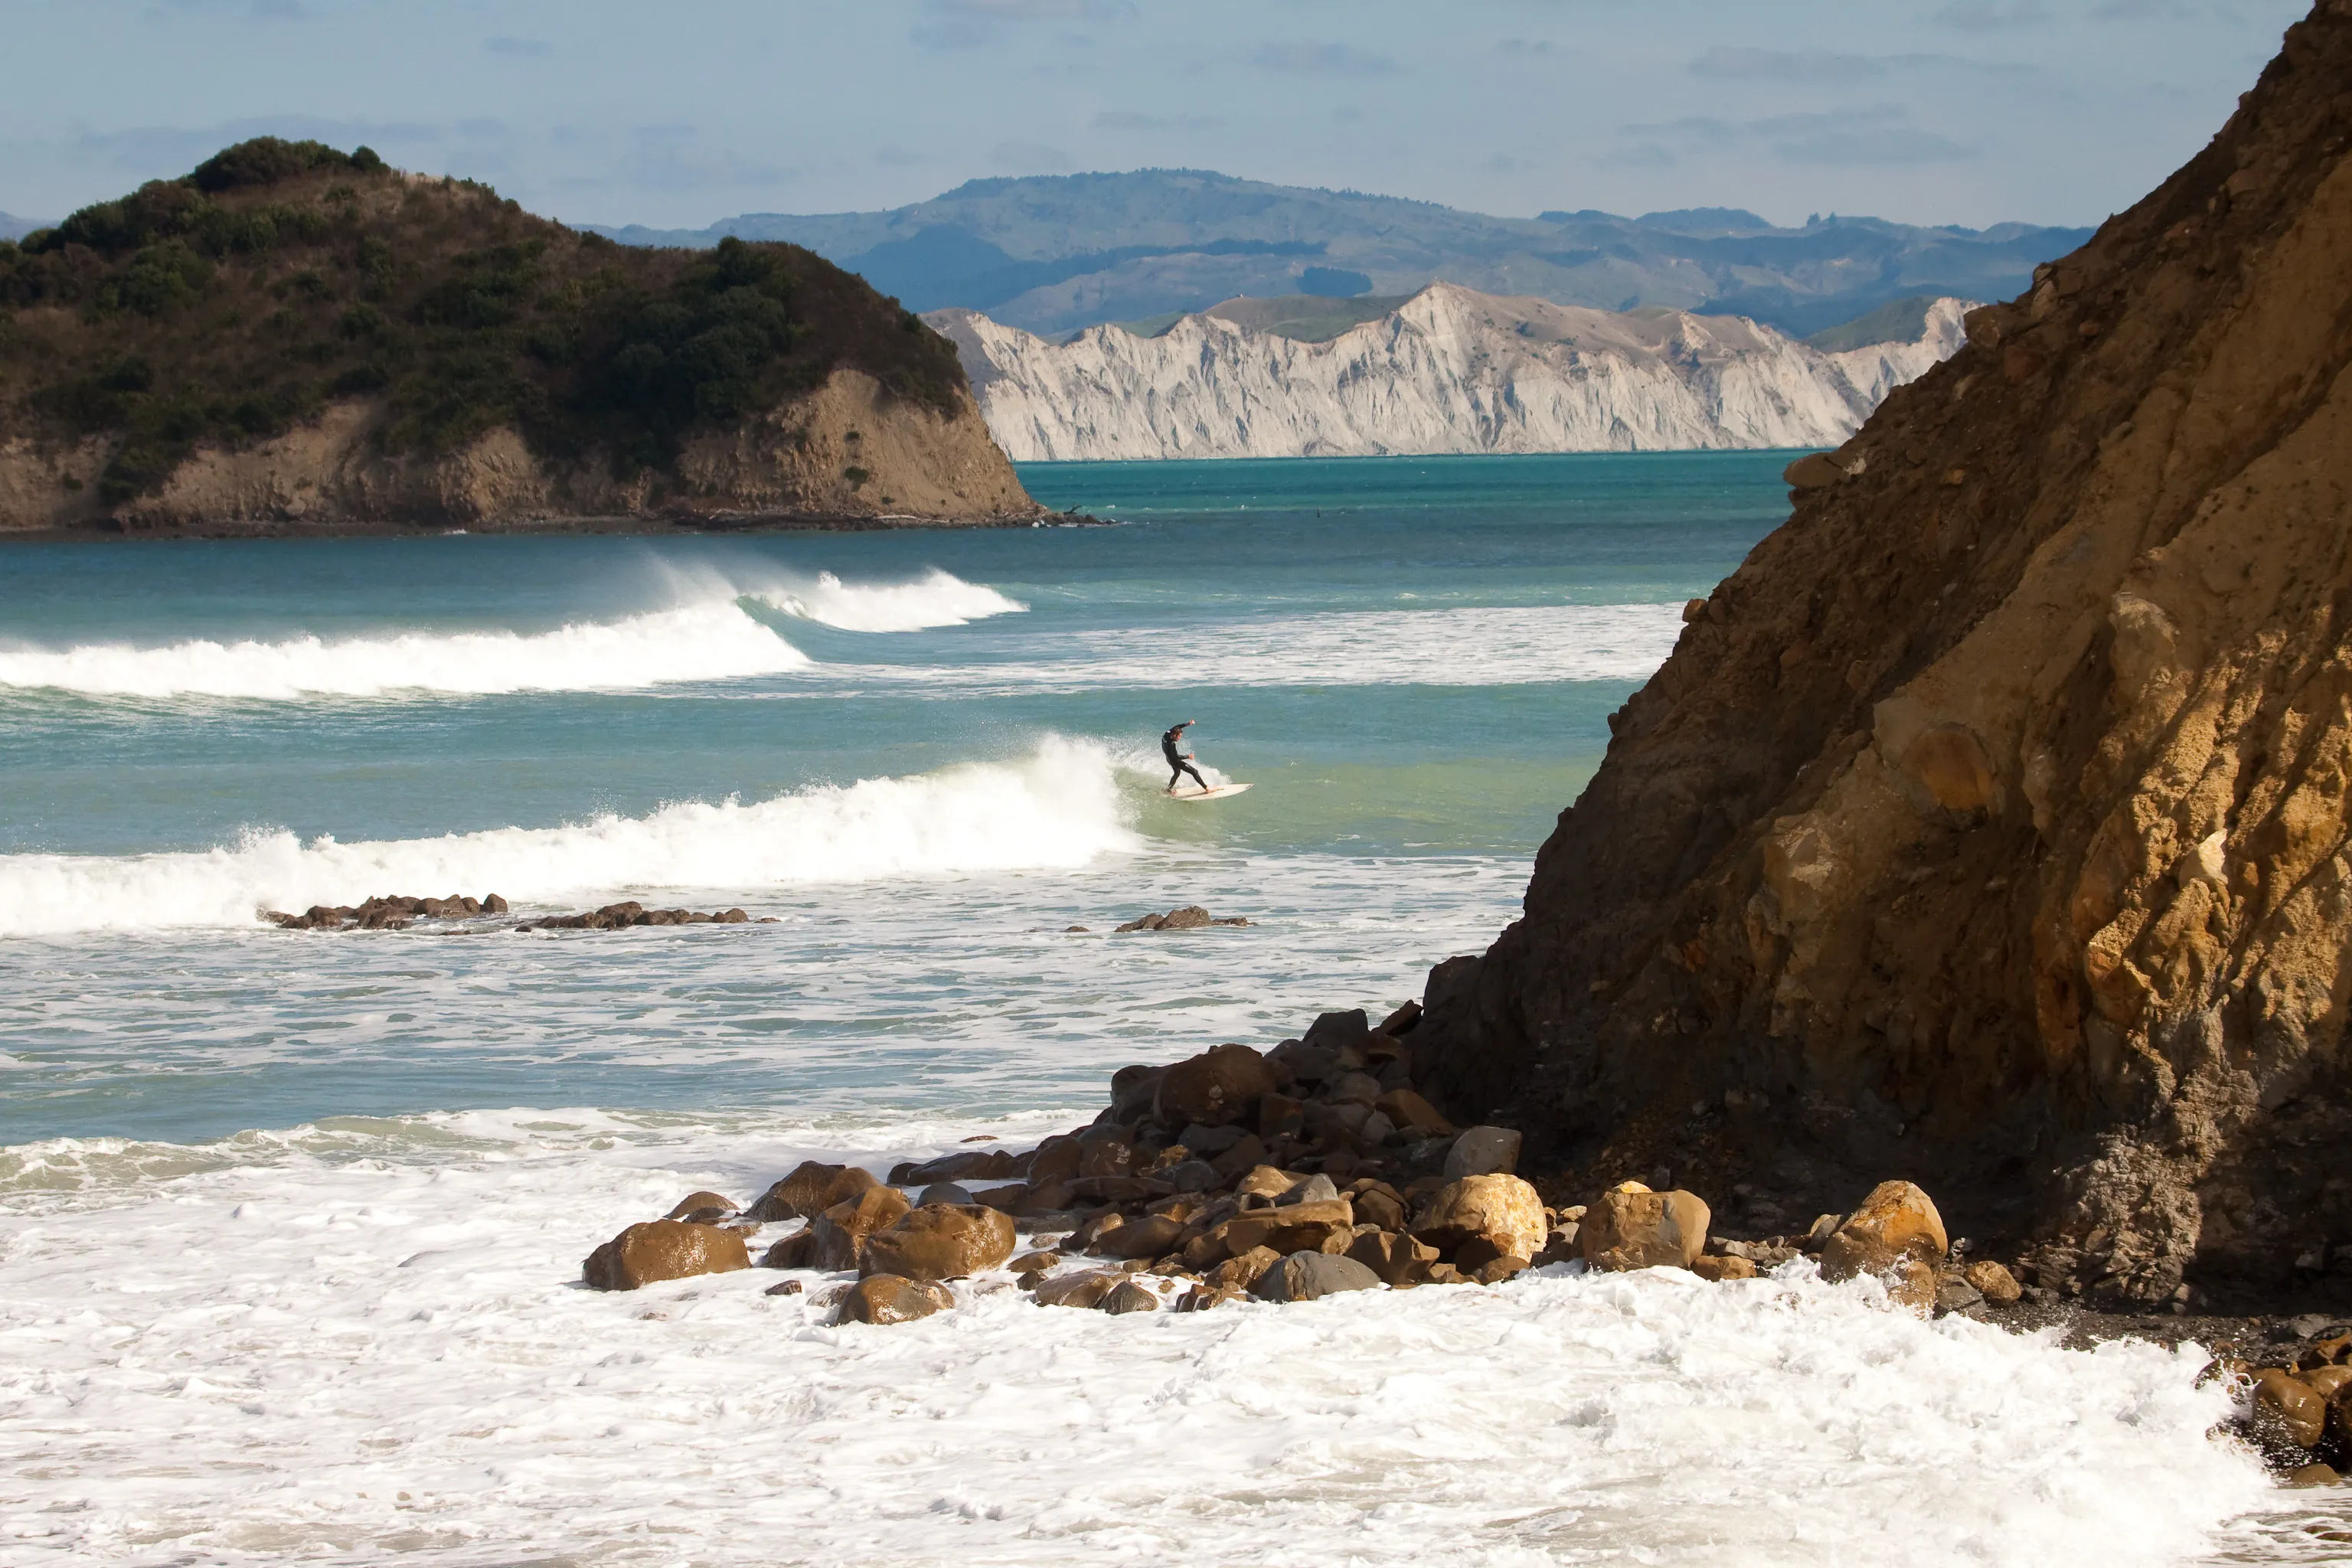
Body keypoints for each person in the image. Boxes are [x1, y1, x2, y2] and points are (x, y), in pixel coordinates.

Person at [1162, 719, 1208, 795]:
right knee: (1194, 772)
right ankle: (1207, 788)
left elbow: (1177, 727)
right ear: (1174, 735)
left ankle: (1168, 789)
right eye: (1179, 736)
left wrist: (1187, 724)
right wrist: (1188, 756)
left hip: (1169, 759)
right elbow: (1176, 757)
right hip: (1174, 761)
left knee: (1177, 773)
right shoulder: (1171, 744)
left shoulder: (1167, 734)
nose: (1180, 738)